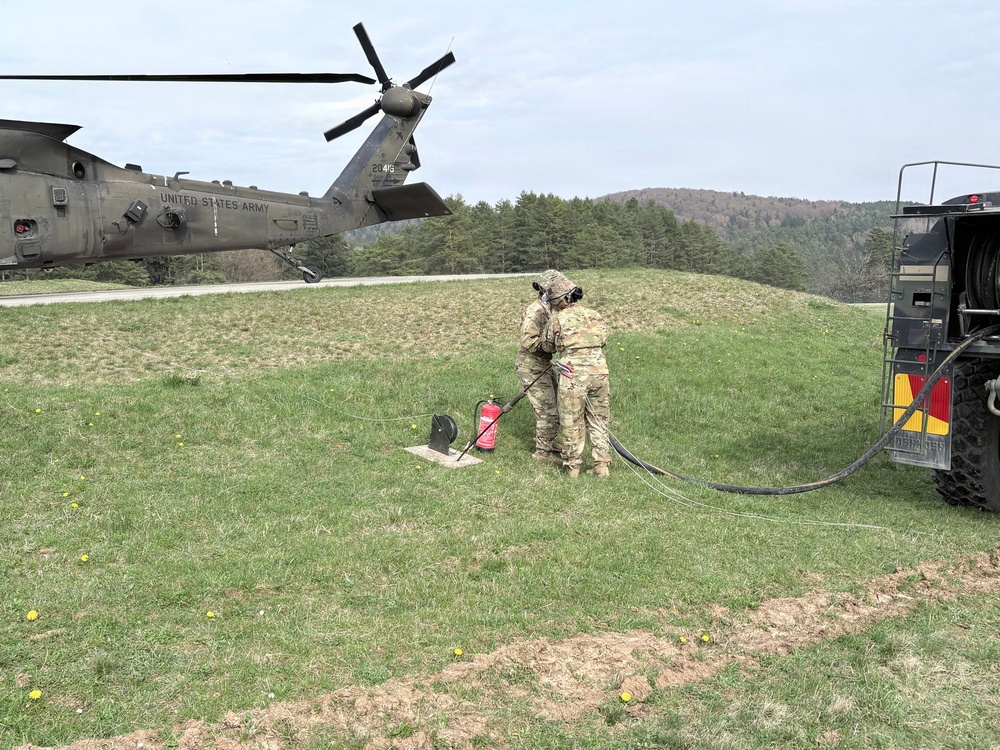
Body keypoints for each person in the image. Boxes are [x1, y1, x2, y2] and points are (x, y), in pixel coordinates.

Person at [545, 276, 612, 478]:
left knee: (571, 421)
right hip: (599, 373)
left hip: (573, 376)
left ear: (563, 299)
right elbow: (604, 339)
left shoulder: (558, 319)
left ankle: (573, 467)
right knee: (599, 420)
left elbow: (547, 345)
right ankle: (602, 466)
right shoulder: (595, 314)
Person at [515, 270, 570, 463]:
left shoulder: (550, 308)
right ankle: (542, 453)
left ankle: (549, 442)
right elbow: (528, 341)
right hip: (531, 366)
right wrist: (551, 345)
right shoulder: (535, 311)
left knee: (555, 403)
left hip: (544, 363)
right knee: (547, 410)